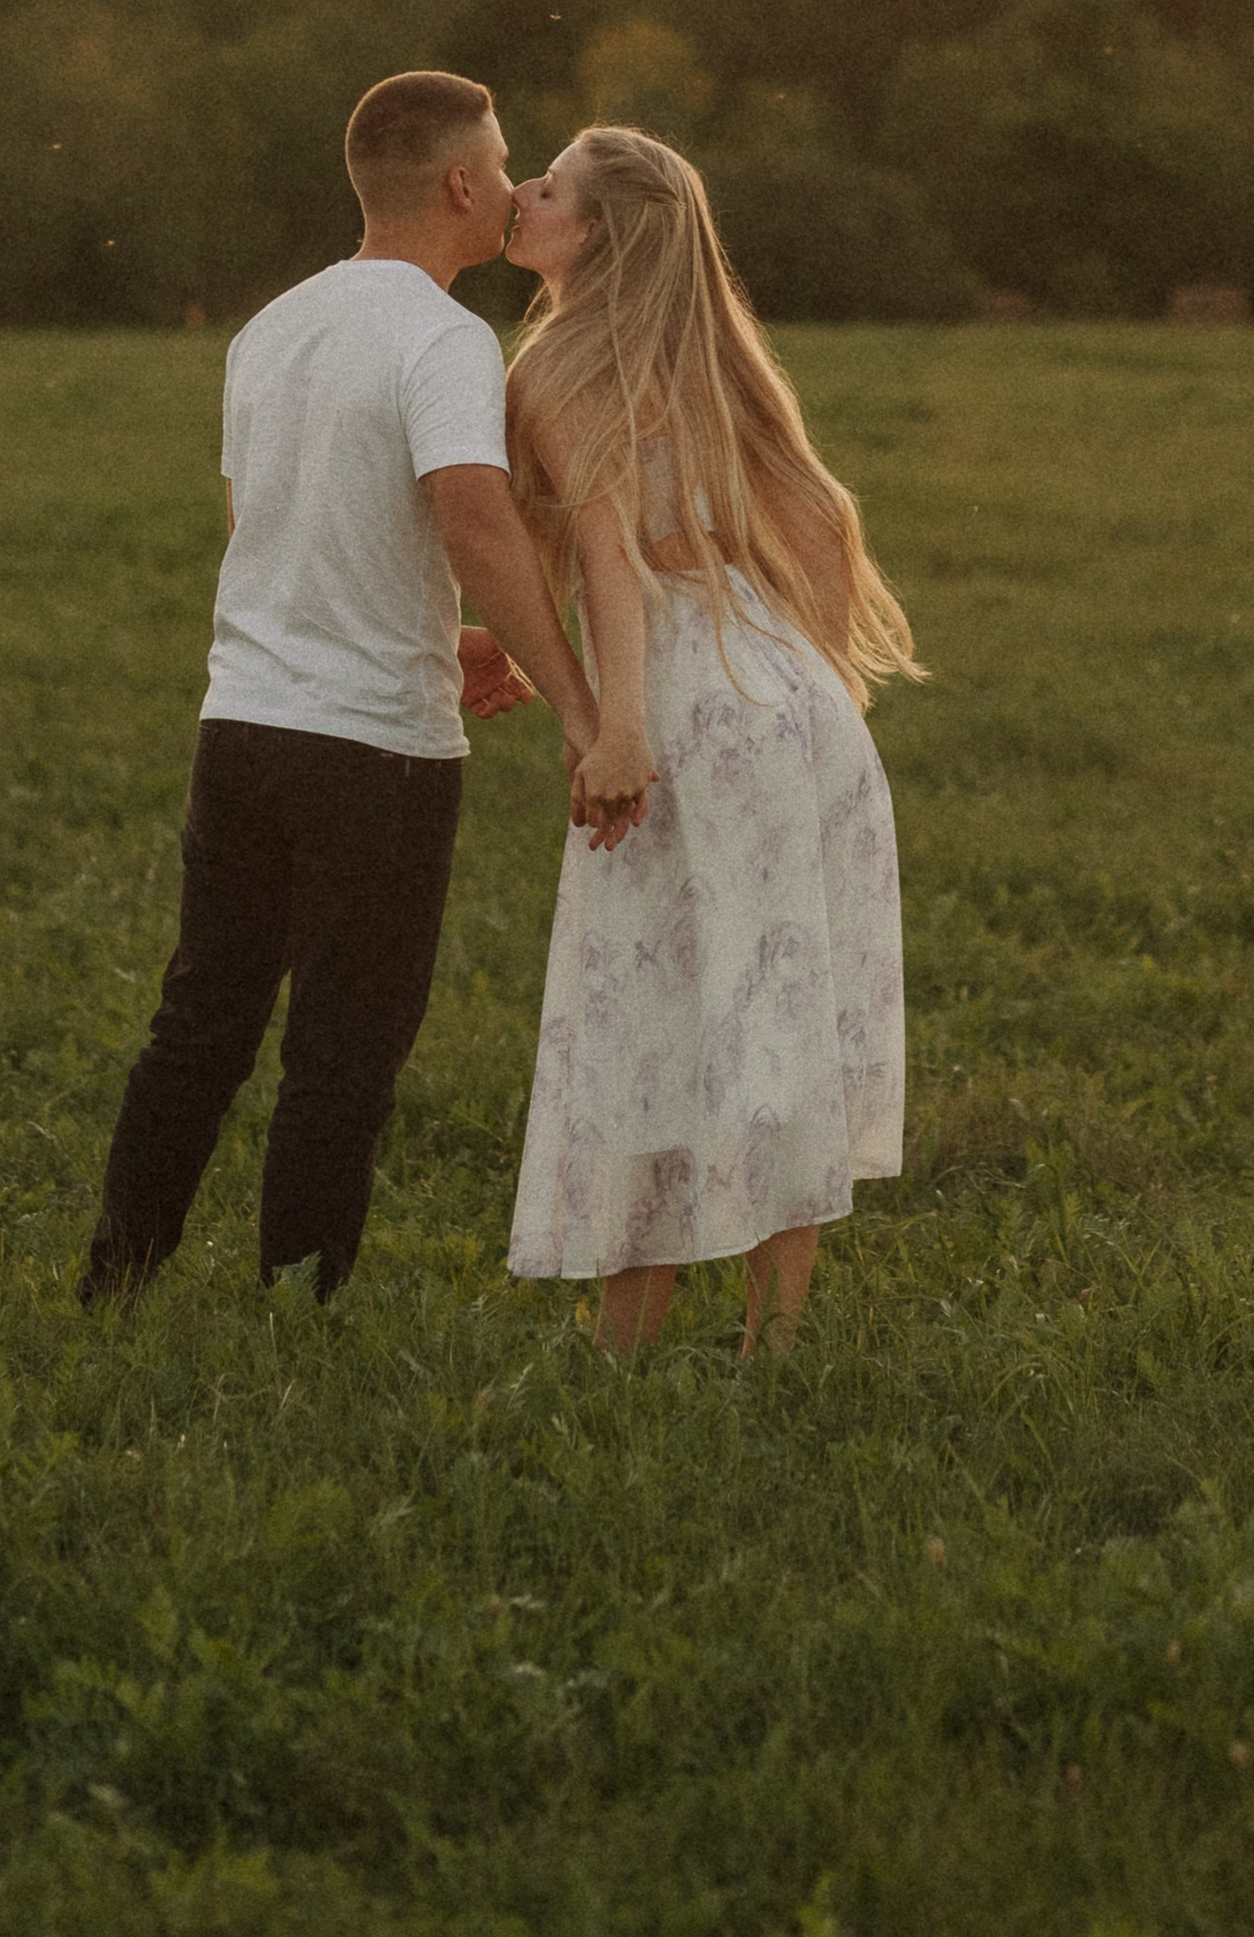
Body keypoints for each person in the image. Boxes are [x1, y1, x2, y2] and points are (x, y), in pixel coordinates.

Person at [79, 73, 646, 1307]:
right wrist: (582, 709)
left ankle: (115, 1282)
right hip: (375, 760)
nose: (510, 188)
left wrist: (451, 645)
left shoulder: (268, 329)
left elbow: (275, 537)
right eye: (501, 168)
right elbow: (473, 521)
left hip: (241, 730)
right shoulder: (443, 336)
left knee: (202, 1023)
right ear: (456, 184)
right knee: (343, 1054)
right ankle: (296, 1308)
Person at [497, 124, 919, 1355]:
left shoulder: (560, 367)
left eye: (552, 187)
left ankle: (625, 1343)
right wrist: (820, 685)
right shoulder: (710, 360)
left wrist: (616, 728)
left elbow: (612, 562)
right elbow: (818, 522)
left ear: (598, 235)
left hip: (691, 702)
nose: (526, 193)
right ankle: (773, 1341)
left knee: (643, 1008)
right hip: (798, 704)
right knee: (777, 1011)